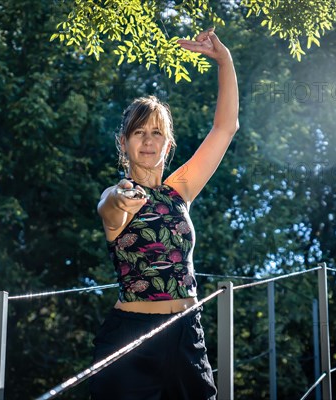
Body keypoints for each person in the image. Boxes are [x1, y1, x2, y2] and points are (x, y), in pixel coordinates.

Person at [90, 28, 239, 400]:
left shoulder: (179, 191)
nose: (147, 140)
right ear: (124, 142)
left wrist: (225, 62)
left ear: (167, 144)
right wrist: (120, 200)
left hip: (188, 335)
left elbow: (225, 128)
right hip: (132, 341)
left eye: (156, 133)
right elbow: (109, 208)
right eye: (138, 132)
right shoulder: (119, 192)